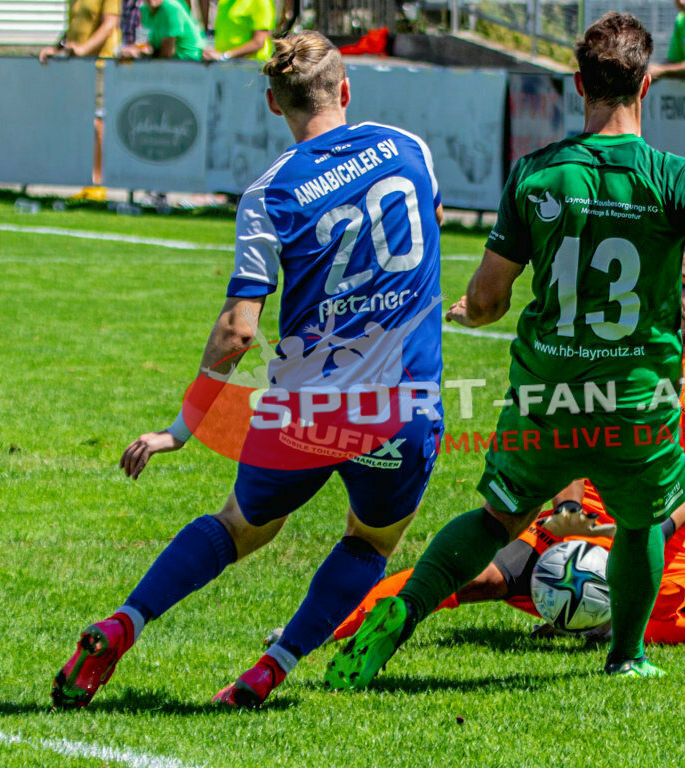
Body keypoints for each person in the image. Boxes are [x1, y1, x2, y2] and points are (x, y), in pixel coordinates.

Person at [325, 10, 685, 688]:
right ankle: (626, 654)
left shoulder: (535, 174)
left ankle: (402, 613)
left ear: (579, 84)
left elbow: (487, 300)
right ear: (648, 83)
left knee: (494, 517)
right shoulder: (674, 178)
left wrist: (471, 307)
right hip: (633, 399)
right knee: (640, 522)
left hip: (548, 392)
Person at [52, 30, 446, 710]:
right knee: (371, 540)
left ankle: (125, 623)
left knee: (242, 525)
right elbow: (429, 226)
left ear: (273, 103)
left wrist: (183, 426)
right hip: (401, 408)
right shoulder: (409, 147)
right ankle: (271, 669)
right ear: (345, 90)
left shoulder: (269, 194)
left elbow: (239, 331)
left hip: (307, 410)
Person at [328, 243, 685, 648]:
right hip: (584, 533)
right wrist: (568, 513)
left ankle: (604, 623)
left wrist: (651, 533)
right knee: (470, 572)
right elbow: (571, 442)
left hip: (674, 548)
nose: (674, 298)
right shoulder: (615, 353)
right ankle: (328, 624)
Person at [38, 0, 121, 198]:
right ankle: (86, 181)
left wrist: (84, 49)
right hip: (79, 66)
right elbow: (74, 29)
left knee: (97, 121)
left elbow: (109, 25)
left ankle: (98, 184)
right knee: (82, 122)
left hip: (101, 63)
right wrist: (57, 47)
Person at [121, 0, 204, 60]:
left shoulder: (171, 7)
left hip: (191, 61)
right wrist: (134, 51)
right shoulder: (144, 9)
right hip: (171, 62)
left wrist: (142, 54)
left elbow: (167, 52)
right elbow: (150, 44)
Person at [202, 0, 274, 61]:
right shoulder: (224, 2)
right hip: (227, 66)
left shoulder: (261, 2)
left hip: (252, 67)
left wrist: (224, 56)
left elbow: (259, 42)